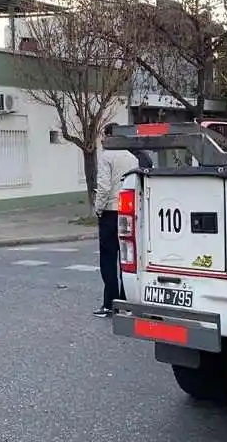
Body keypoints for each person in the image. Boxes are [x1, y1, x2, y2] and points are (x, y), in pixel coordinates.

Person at [93, 122, 139, 317]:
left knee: (108, 259)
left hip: (110, 212)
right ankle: (126, 303)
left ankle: (109, 303)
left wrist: (98, 208)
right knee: (126, 258)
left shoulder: (106, 157)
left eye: (104, 135)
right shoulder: (132, 157)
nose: (102, 139)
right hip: (128, 210)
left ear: (110, 136)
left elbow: (103, 186)